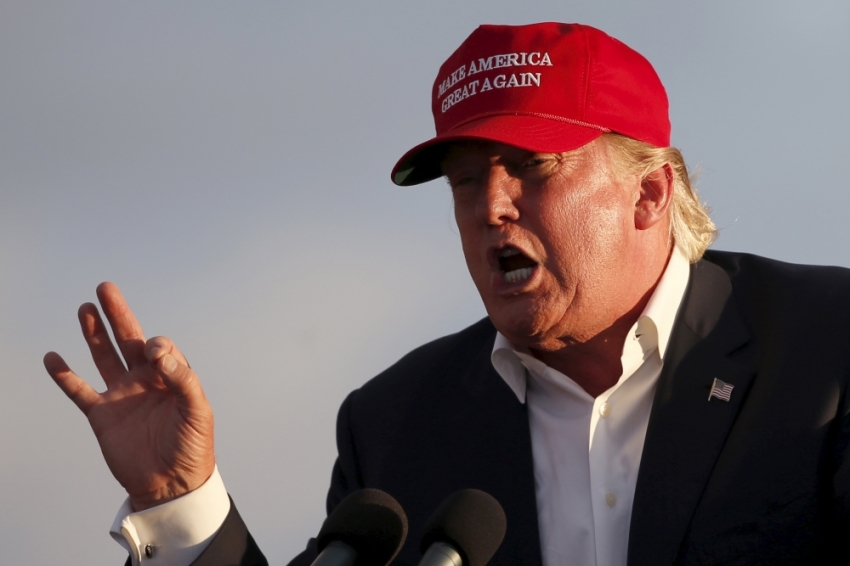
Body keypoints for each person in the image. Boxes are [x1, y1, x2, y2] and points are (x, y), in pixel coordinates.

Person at [44, 22, 850, 566]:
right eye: (466, 182)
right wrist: (182, 501)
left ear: (648, 194)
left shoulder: (827, 347)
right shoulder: (395, 424)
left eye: (531, 170)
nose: (489, 207)